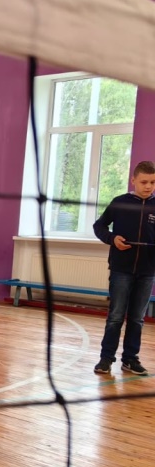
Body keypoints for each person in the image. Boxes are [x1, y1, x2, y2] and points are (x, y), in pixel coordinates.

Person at [92, 160, 155, 376]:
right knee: (116, 316)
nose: (148, 186)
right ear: (133, 180)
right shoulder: (119, 203)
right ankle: (106, 359)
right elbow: (99, 226)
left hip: (147, 272)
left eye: (153, 182)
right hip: (121, 270)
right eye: (144, 182)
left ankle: (130, 359)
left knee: (137, 318)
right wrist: (112, 239)